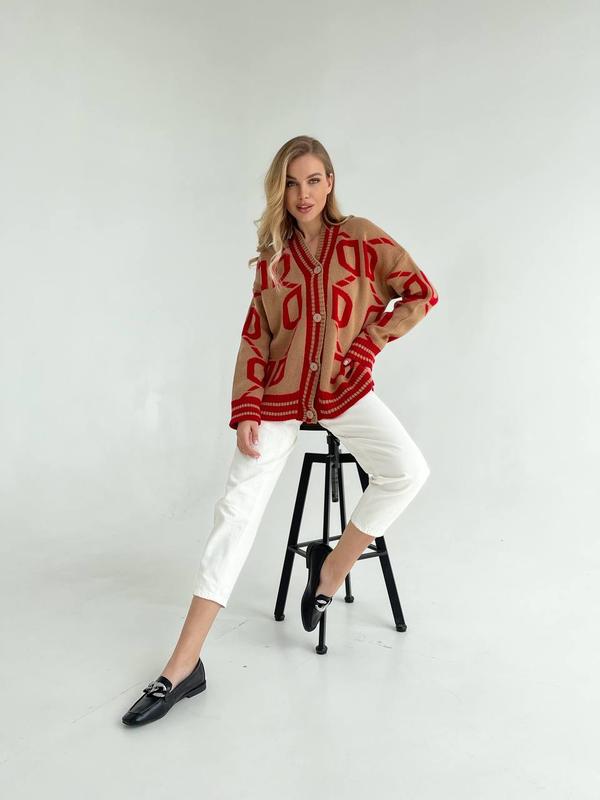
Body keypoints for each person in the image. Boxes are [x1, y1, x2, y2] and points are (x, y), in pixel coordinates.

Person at [122, 135, 439, 727]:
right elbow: (256, 337)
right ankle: (184, 665)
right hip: (279, 397)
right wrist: (247, 407)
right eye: (292, 183)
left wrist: (368, 344)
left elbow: (420, 292)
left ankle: (329, 571)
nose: (303, 194)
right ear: (280, 190)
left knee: (407, 471)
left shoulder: (361, 238)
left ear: (330, 182)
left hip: (343, 389)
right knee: (236, 512)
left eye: (314, 180)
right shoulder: (274, 260)